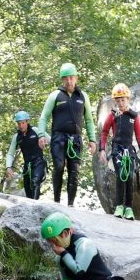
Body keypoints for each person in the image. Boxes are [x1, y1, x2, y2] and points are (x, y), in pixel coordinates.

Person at [37, 63, 97, 206]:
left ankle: (70, 204)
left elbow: (88, 119)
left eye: (71, 78)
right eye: (65, 78)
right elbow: (43, 117)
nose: (68, 81)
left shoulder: (83, 96)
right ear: (62, 80)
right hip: (59, 138)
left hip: (75, 139)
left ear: (76, 78)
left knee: (74, 171)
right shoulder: (55, 95)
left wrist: (92, 139)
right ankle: (57, 201)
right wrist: (41, 135)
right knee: (58, 166)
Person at [98, 83, 140, 220]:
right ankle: (119, 206)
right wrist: (102, 150)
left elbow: (139, 135)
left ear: (128, 99)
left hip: (129, 150)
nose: (120, 103)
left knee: (130, 176)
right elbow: (105, 132)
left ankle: (129, 208)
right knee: (120, 176)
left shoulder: (133, 116)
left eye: (122, 100)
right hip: (117, 149)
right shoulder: (113, 116)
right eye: (117, 100)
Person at [5, 111, 48, 199]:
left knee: (35, 181)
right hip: (27, 166)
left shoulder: (36, 130)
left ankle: (34, 205)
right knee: (28, 190)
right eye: (19, 123)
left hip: (39, 162)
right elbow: (10, 153)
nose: (21, 126)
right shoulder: (17, 137)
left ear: (27, 122)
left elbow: (51, 141)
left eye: (23, 123)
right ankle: (31, 205)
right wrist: (8, 167)